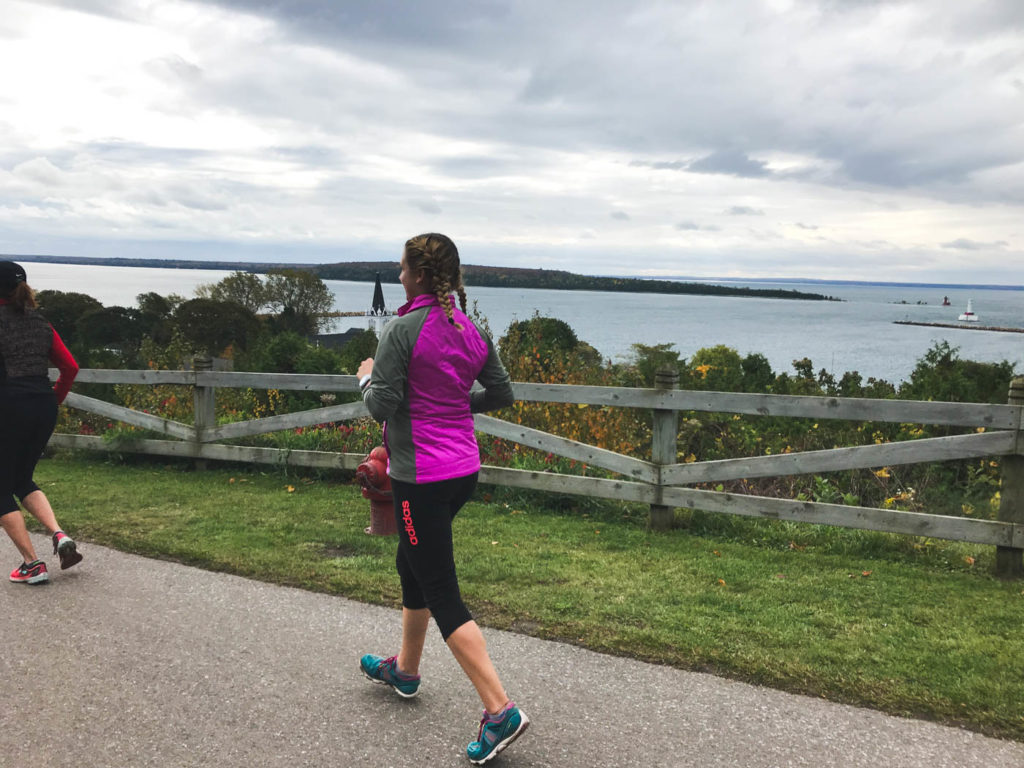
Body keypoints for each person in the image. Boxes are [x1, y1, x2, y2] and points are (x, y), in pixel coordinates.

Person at [356, 234, 526, 764]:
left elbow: (380, 403)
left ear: (421, 276)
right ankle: (405, 671)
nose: (399, 274)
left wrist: (363, 377)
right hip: (463, 472)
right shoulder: (469, 329)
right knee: (414, 562)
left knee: (441, 588)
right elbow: (500, 393)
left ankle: (501, 712)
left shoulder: (403, 329)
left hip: (421, 478)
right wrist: (455, 404)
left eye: (403, 268)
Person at [0, 261, 82, 584]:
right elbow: (70, 368)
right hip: (42, 408)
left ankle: (32, 564)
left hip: (9, 407)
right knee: (21, 480)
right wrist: (51, 401)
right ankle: (60, 536)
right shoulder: (41, 323)